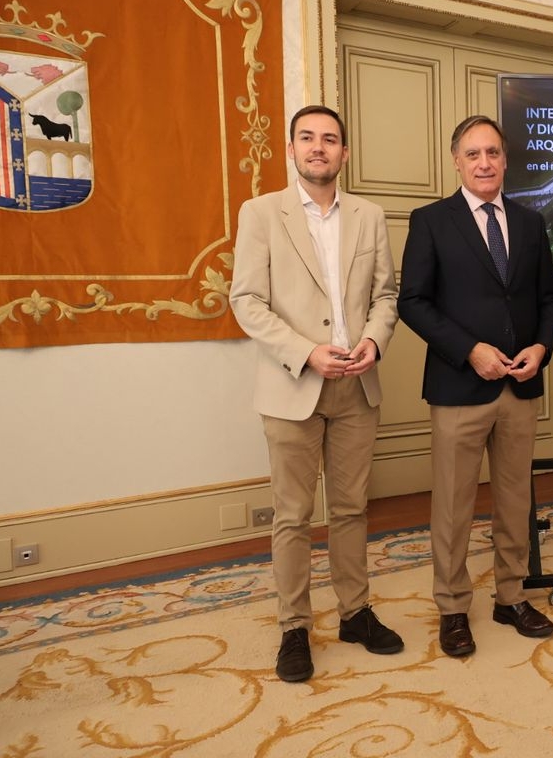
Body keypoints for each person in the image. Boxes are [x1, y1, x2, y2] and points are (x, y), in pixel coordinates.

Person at [230, 104, 404, 682]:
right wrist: (307, 352)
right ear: (291, 149)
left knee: (352, 508)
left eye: (330, 139)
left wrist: (375, 343)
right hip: (291, 386)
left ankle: (355, 613)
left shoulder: (369, 215)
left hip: (358, 384)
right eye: (307, 138)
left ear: (344, 152)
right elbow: (246, 301)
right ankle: (294, 628)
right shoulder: (260, 213)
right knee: (293, 516)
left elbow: (386, 295)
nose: (318, 147)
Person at [398, 114, 553, 657]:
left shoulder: (531, 222)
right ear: (456, 161)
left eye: (492, 152)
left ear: (505, 159)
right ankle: (452, 607)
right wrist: (470, 351)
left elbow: (548, 300)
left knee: (515, 500)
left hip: (520, 387)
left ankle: (511, 596)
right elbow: (413, 302)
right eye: (473, 154)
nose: (484, 163)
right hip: (458, 386)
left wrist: (541, 347)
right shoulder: (431, 221)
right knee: (453, 506)